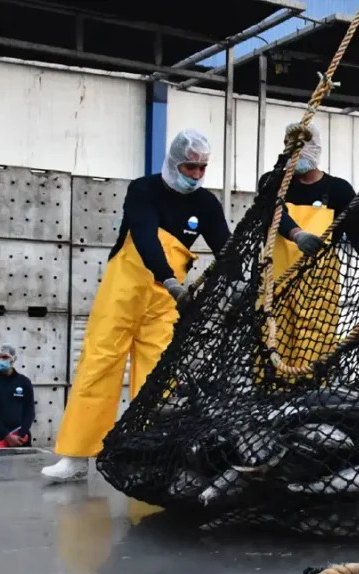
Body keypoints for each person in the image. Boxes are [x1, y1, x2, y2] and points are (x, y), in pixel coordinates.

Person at [42, 129, 232, 483]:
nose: (195, 174)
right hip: (126, 289)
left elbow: (225, 244)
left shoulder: (205, 204)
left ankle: (149, 451)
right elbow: (144, 234)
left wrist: (237, 279)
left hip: (164, 302)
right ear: (174, 161)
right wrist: (169, 278)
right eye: (190, 166)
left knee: (157, 375)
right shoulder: (143, 190)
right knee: (99, 364)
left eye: (201, 168)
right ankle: (77, 455)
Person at [257, 122, 359, 370]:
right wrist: (297, 235)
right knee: (273, 341)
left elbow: (356, 228)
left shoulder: (338, 190)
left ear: (314, 151)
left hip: (318, 286)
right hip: (274, 281)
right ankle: (272, 394)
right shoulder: (273, 182)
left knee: (314, 345)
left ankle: (308, 394)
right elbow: (272, 211)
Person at [0, 343, 35, 448]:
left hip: (21, 439)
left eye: (5, 357)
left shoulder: (24, 382)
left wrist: (21, 434)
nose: (1, 360)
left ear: (13, 359)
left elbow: (29, 411)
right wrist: (7, 436)